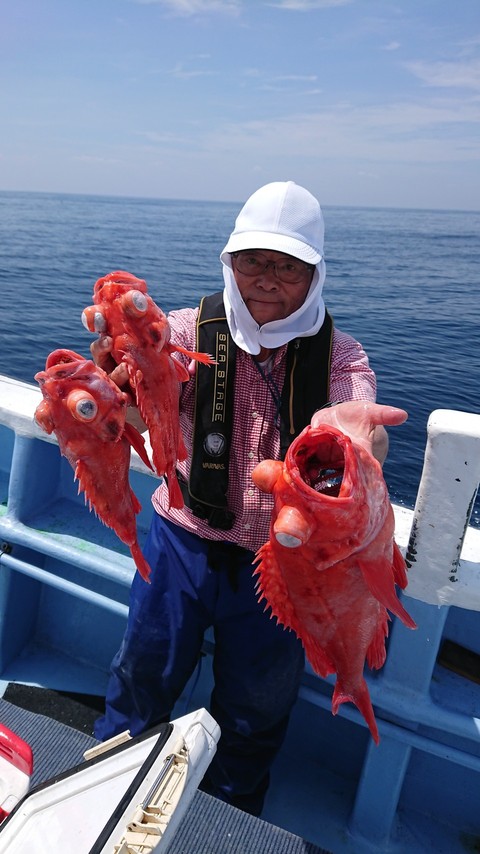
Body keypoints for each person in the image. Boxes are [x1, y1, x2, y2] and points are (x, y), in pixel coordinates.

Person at [92, 181, 407, 816]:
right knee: (141, 672)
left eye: (288, 266)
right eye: (254, 260)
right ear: (229, 262)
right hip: (181, 538)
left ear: (314, 276)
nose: (268, 278)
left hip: (285, 561)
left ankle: (232, 814)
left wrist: (357, 441)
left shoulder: (342, 357)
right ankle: (103, 789)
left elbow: (358, 425)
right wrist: (105, 376)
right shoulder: (180, 329)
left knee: (258, 703)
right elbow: (123, 390)